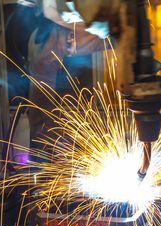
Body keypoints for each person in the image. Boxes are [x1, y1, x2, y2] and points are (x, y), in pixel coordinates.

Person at [26, 0, 105, 145]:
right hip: (52, 32)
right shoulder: (47, 48)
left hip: (61, 27)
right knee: (41, 110)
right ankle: (41, 159)